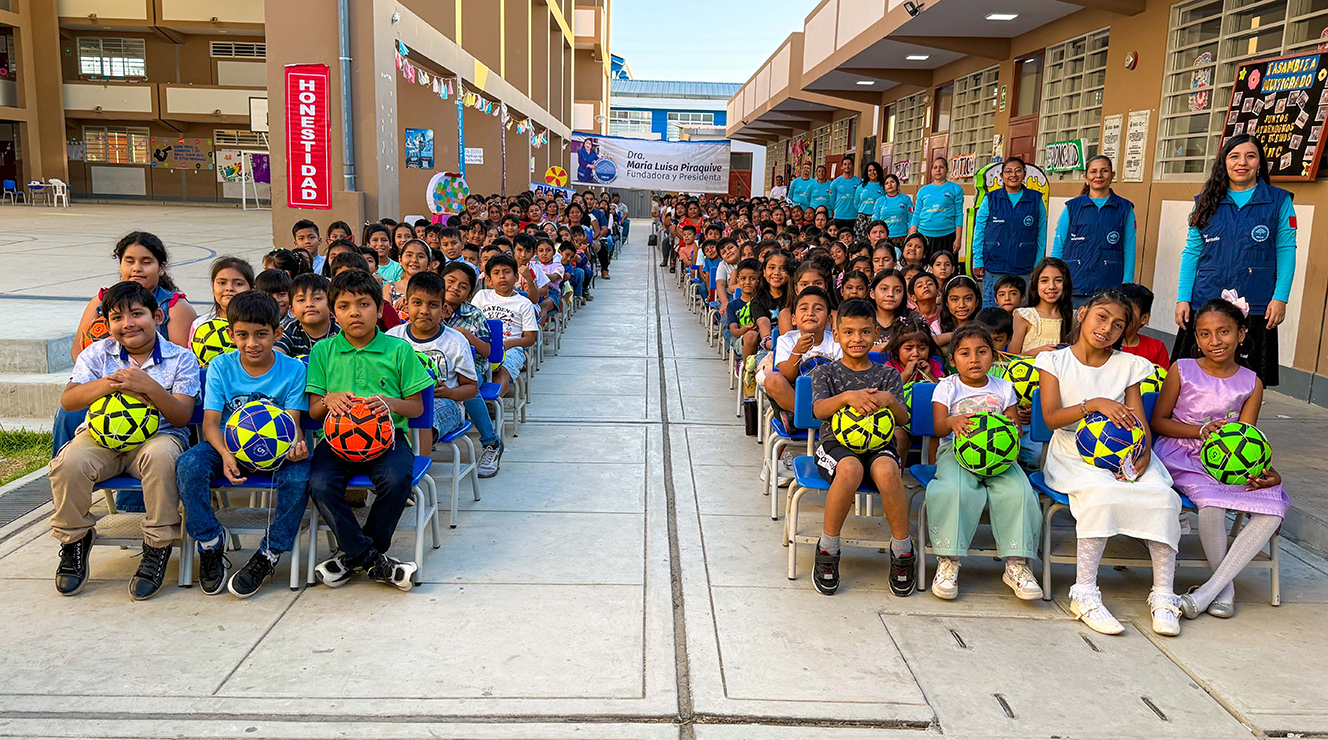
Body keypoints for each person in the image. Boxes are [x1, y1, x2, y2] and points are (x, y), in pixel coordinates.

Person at [1034, 289, 1183, 637]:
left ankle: (1163, 595)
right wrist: (1095, 403)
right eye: (1102, 317)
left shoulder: (1129, 364)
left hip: (1122, 449)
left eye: (1118, 325)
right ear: (1083, 313)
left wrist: (1144, 448)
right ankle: (1084, 592)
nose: (1107, 329)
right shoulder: (1055, 362)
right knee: (1099, 493)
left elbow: (1137, 416)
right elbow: (1053, 417)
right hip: (1073, 451)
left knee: (1161, 495)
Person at [49, 281, 200, 599]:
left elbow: (182, 417)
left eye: (137, 314)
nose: (128, 323)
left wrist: (149, 386)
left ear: (157, 316)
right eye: (117, 317)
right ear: (108, 324)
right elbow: (70, 400)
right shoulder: (97, 353)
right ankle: (74, 540)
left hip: (158, 436)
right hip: (101, 439)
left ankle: (157, 546)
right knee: (68, 463)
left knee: (162, 459)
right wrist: (109, 384)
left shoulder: (181, 358)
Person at [1151, 298, 1288, 620]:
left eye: (1224, 331)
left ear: (1241, 333)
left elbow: (1248, 435)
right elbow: (1158, 421)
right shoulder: (1182, 369)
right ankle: (1224, 591)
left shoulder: (1252, 381)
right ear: (1196, 338)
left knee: (1272, 507)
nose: (1214, 341)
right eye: (1204, 334)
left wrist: (1270, 472)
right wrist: (1200, 430)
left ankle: (1208, 591)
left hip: (1231, 461)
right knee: (1212, 508)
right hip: (1183, 452)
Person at [176, 291, 311, 598]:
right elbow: (210, 423)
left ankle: (269, 553)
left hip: (276, 451)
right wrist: (225, 453)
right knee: (189, 465)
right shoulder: (221, 367)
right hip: (226, 445)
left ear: (277, 333)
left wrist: (295, 446)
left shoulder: (293, 370)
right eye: (243, 335)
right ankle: (210, 542)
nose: (252, 343)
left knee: (300, 477)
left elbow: (292, 426)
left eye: (262, 334)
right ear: (230, 334)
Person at [308, 269, 435, 590]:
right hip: (335, 443)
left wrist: (389, 402)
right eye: (345, 306)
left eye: (364, 304)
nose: (354, 312)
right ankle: (372, 559)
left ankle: (354, 556)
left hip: (389, 440)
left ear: (379, 310)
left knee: (396, 480)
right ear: (334, 312)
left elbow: (417, 408)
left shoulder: (399, 350)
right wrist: (328, 399)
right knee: (319, 483)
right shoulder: (323, 352)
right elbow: (312, 410)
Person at [926, 323, 1042, 601]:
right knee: (954, 491)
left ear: (995, 356)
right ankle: (948, 561)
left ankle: (1017, 563)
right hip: (957, 455)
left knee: (1021, 492)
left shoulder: (1004, 387)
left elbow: (1016, 428)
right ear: (953, 361)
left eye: (982, 352)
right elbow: (939, 427)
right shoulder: (946, 387)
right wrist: (952, 421)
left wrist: (1010, 429)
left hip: (1000, 458)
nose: (974, 359)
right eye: (965, 354)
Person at [1172, 133, 1296, 388]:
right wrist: (1183, 298)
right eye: (1234, 156)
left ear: (1259, 162)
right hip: (1206, 300)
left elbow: (1286, 250)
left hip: (1257, 303)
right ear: (1223, 163)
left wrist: (1280, 298)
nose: (1242, 163)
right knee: (1193, 379)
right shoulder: (1204, 202)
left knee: (1248, 382)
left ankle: (1240, 427)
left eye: (1250, 156)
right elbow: (1192, 253)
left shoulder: (1279, 201)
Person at [809, 298, 913, 596]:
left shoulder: (888, 375)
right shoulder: (825, 372)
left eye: (865, 332)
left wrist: (890, 401)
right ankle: (828, 549)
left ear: (876, 335)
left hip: (879, 446)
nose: (857, 339)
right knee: (850, 468)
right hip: (836, 445)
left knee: (888, 470)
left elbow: (904, 418)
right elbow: (818, 410)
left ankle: (902, 550)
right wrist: (847, 397)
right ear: (837, 333)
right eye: (850, 332)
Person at [388, 272, 478, 453]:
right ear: (406, 304)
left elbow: (471, 388)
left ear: (444, 309)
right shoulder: (393, 337)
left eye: (433, 305)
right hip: (404, 400)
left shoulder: (455, 340)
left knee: (423, 415)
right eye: (417, 303)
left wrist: (450, 392)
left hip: (446, 403)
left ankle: (416, 469)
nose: (424, 310)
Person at [440, 261, 502, 477]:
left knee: (467, 387)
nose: (455, 287)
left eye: (463, 286)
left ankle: (491, 442)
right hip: (435, 365)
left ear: (468, 294)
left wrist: (465, 335)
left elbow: (487, 351)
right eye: (450, 281)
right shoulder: (427, 307)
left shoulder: (473, 314)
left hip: (470, 366)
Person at [1050, 155, 1136, 307]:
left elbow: (1129, 248)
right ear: (1086, 177)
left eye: (1104, 171)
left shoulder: (1125, 209)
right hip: (1074, 285)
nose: (1098, 176)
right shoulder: (1072, 207)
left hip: (1109, 288)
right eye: (1093, 172)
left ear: (1112, 175)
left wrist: (1126, 284)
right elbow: (1059, 244)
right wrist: (1054, 278)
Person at [971, 157, 1047, 308]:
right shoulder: (991, 199)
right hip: (994, 264)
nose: (1013, 175)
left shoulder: (1036, 199)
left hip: (1023, 266)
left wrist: (1038, 263)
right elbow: (979, 231)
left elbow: (1041, 234)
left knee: (1021, 312)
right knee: (992, 311)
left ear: (1024, 174)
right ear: (1002, 176)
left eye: (1018, 170)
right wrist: (978, 259)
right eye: (1008, 171)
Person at [472, 255, 539, 400]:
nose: (502, 276)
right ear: (488, 280)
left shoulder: (523, 303)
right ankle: (472, 399)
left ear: (516, 277)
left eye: (506, 272)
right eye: (496, 273)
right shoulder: (481, 297)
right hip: (482, 345)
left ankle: (492, 402)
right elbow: (472, 324)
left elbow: (530, 338)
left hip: (511, 347)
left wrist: (507, 344)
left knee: (502, 370)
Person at [1009, 258, 1073, 356]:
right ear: (1036, 284)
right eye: (1044, 281)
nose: (1051, 286)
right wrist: (1034, 353)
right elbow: (1009, 359)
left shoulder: (1074, 318)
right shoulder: (1025, 316)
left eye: (1058, 280)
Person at [191, 257, 255, 352]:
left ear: (252, 289)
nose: (229, 288)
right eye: (222, 283)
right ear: (213, 289)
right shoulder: (200, 325)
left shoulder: (261, 324)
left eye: (238, 284)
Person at [908, 158, 964, 257]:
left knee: (944, 268)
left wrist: (958, 238)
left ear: (947, 170)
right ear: (931, 171)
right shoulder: (923, 191)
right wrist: (912, 235)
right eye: (935, 167)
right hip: (924, 234)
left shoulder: (956, 189)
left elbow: (959, 214)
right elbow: (916, 214)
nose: (938, 170)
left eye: (941, 167)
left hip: (947, 235)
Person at [276, 273, 340, 358]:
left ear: (331, 306)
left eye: (317, 298)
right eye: (301, 300)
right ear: (292, 311)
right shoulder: (291, 330)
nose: (309, 304)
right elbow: (276, 354)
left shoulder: (340, 331)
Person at [1116, 283, 1170, 368]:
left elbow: (1164, 379)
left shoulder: (1157, 348)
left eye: (1129, 311)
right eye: (1118, 310)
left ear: (1144, 318)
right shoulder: (1103, 343)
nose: (1121, 316)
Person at [852, 162, 885, 241]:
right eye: (870, 170)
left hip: (877, 218)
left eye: (874, 170)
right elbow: (856, 203)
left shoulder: (883, 186)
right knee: (861, 242)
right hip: (862, 218)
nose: (872, 173)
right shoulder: (861, 186)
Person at [830, 156, 862, 234]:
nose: (847, 166)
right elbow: (831, 200)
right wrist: (838, 209)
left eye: (849, 164)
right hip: (839, 216)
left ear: (852, 166)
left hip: (854, 216)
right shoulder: (835, 182)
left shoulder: (859, 182)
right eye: (845, 164)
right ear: (841, 167)